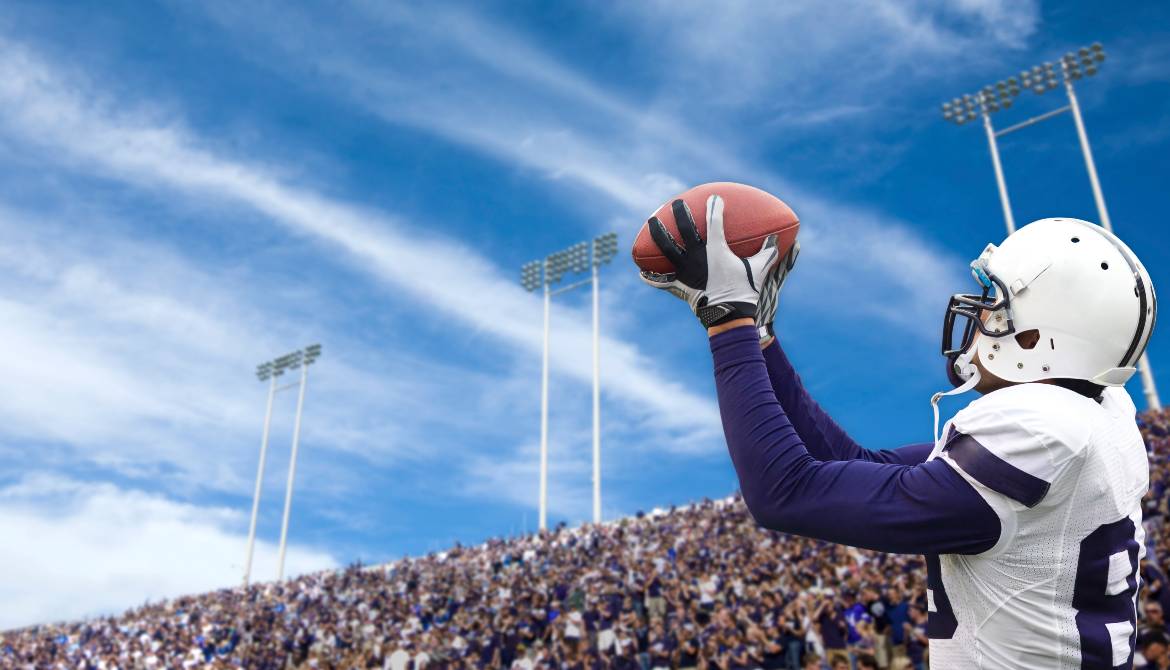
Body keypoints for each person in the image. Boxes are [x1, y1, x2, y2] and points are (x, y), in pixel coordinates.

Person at [639, 195, 1156, 668]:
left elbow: (784, 492)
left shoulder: (1037, 437)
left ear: (1039, 337)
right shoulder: (1095, 413)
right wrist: (760, 334)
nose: (978, 313)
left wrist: (729, 323)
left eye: (996, 303)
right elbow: (854, 460)